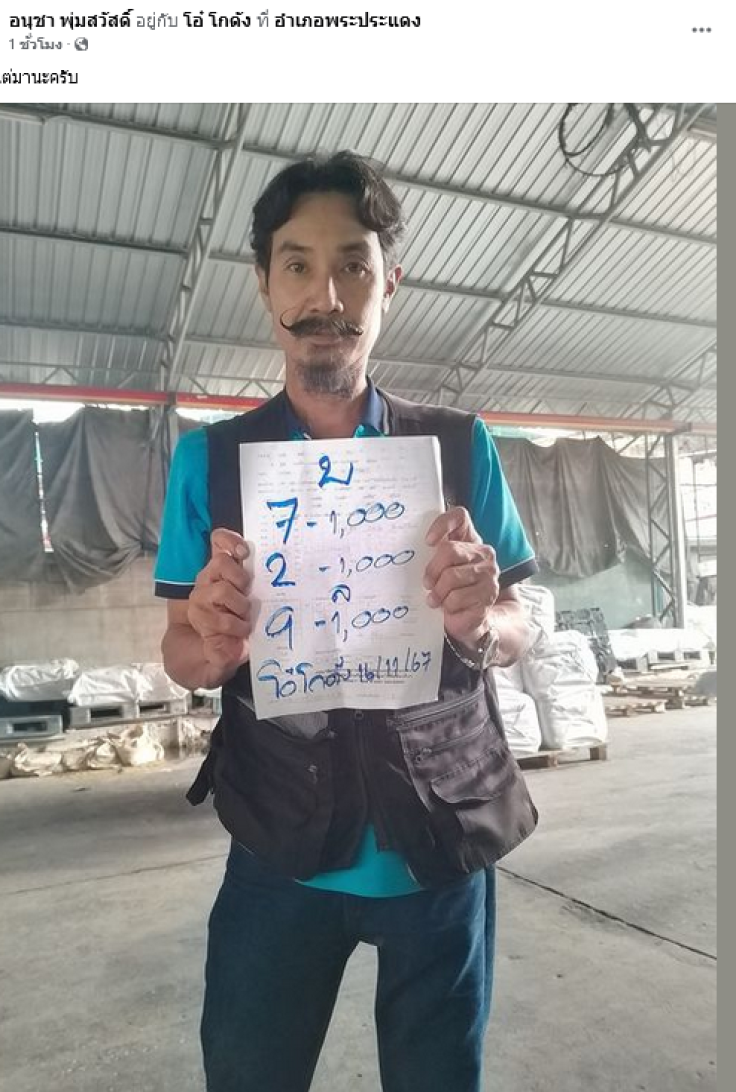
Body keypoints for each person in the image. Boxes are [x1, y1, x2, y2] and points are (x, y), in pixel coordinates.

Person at [155, 151, 540, 1092]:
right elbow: (178, 651)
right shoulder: (212, 462)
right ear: (264, 284)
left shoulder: (458, 444)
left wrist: (481, 624)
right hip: (279, 847)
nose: (326, 294)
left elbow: (520, 617)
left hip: (439, 842)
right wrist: (209, 645)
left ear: (387, 284)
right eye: (297, 264)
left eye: (353, 265)